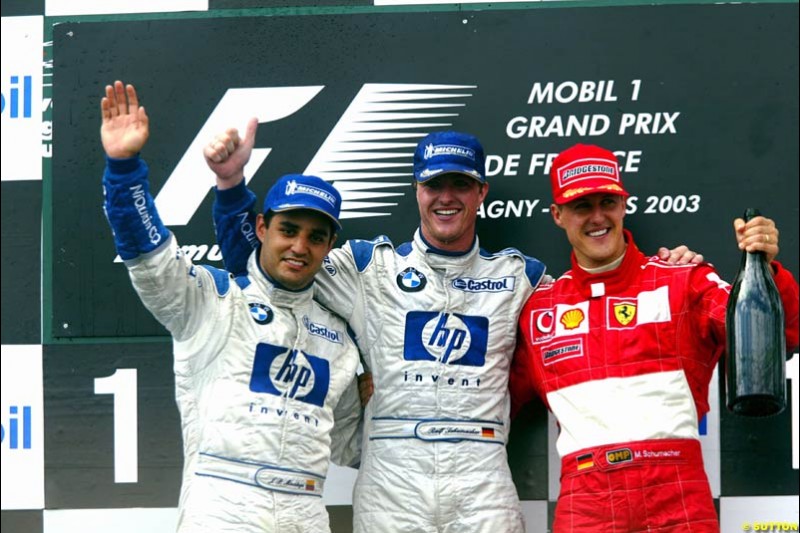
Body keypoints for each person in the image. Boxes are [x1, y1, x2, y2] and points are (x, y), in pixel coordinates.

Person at [208, 125, 701, 532]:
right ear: (417, 190)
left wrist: (661, 266)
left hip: (481, 477)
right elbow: (264, 272)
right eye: (434, 185)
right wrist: (231, 189)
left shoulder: (520, 278)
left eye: (460, 185)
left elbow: (597, 304)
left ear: (481, 191)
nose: (446, 198)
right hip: (391, 481)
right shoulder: (368, 268)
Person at [100, 80, 362, 533]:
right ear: (261, 228)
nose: (300, 246)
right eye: (289, 230)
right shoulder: (214, 301)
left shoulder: (339, 338)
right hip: (220, 515)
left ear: (329, 246)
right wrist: (124, 168)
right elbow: (151, 258)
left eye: (316, 237)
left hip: (306, 517)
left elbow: (354, 444)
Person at [509, 143, 800, 532]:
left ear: (623, 204)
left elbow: (780, 336)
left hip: (676, 492)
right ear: (558, 215)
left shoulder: (684, 279)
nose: (598, 217)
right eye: (582, 206)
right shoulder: (538, 310)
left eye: (607, 202)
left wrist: (767, 265)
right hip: (587, 499)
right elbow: (490, 399)